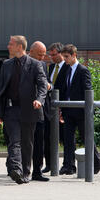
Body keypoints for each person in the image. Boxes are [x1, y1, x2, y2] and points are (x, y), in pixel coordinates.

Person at [0, 36, 47, 184]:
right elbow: (0, 89)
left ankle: (25, 172)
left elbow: (43, 85)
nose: (8, 46)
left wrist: (39, 99)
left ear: (19, 46)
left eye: (11, 44)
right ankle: (16, 169)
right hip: (11, 109)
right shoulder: (6, 65)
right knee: (14, 140)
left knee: (27, 142)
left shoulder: (35, 64)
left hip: (29, 109)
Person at [59, 44, 100, 175]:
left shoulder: (83, 70)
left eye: (67, 57)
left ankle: (96, 163)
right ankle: (69, 166)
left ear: (74, 55)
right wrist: (61, 109)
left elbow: (88, 90)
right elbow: (64, 90)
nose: (65, 60)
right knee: (68, 140)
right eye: (64, 57)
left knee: (87, 138)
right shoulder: (66, 70)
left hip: (81, 111)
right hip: (68, 111)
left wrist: (87, 110)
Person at [43, 42, 67, 173]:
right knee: (48, 137)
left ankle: (67, 164)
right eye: (50, 54)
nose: (51, 57)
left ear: (61, 53)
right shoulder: (51, 67)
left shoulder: (68, 67)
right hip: (50, 108)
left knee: (65, 138)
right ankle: (50, 164)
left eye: (54, 54)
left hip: (63, 107)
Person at [28, 41, 51, 182]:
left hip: (39, 109)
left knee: (39, 142)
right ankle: (22, 169)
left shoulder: (42, 65)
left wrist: (49, 85)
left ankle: (37, 171)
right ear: (31, 51)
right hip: (24, 108)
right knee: (23, 142)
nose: (42, 57)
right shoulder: (22, 62)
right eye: (40, 54)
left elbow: (46, 82)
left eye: (44, 55)